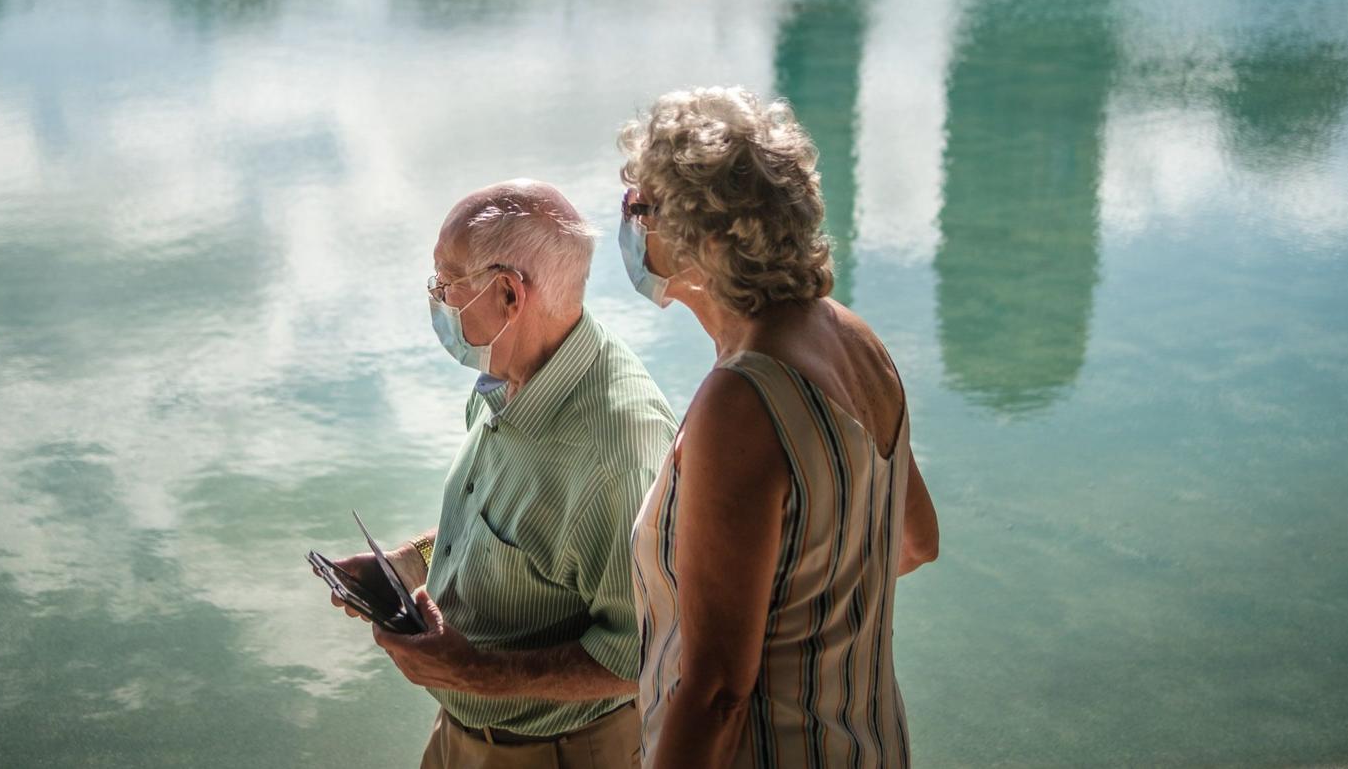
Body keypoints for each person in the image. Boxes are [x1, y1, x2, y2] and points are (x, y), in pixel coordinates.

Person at [618, 89, 940, 769]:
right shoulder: (857, 339)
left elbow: (716, 696)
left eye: (637, 206)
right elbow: (915, 540)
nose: (627, 223)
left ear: (700, 242)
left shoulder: (742, 400)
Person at [320, 180, 676, 769]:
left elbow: (642, 652)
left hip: (560, 754)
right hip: (462, 736)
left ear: (509, 294)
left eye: (444, 285)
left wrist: (477, 673)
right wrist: (406, 565)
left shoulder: (618, 452)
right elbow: (513, 531)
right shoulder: (506, 378)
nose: (435, 299)